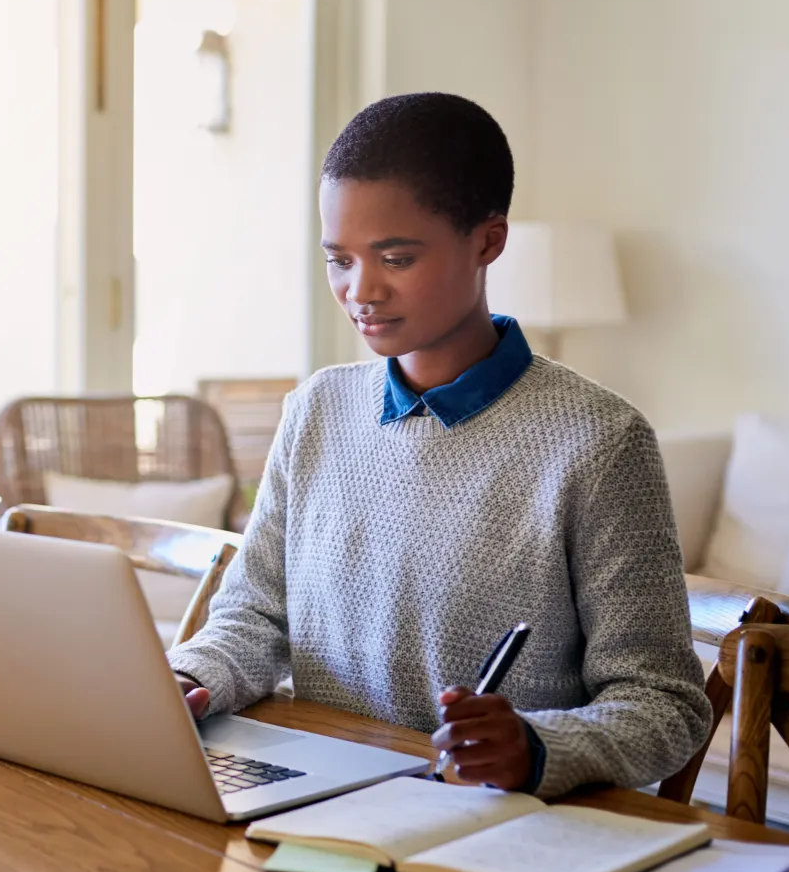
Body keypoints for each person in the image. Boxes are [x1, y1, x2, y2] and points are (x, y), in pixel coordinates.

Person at [167, 92, 710, 798]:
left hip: (487, 824)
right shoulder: (316, 411)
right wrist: (192, 676)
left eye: (394, 257)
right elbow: (254, 615)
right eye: (339, 260)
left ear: (487, 241)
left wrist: (537, 747)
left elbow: (663, 706)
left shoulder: (601, 443)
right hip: (311, 799)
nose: (361, 291)